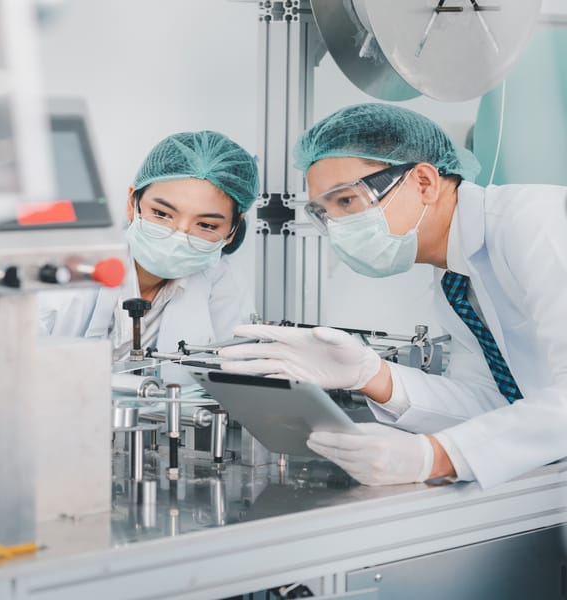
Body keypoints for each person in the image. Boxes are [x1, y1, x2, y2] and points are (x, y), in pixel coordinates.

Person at [219, 103, 567, 489]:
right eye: (325, 213)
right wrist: (372, 375)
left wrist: (435, 457)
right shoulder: (455, 279)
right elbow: (492, 402)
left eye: (347, 201)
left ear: (424, 183)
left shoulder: (535, 223)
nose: (338, 228)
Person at [39, 130, 258, 382]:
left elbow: (233, 380)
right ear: (133, 203)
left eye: (206, 225)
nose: (179, 235)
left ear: (232, 230)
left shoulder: (223, 283)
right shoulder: (64, 276)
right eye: (162, 214)